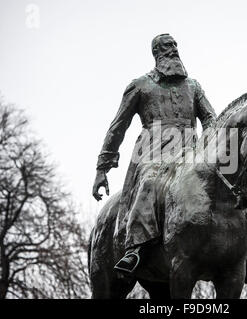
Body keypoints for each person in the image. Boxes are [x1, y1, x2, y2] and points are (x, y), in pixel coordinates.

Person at [92, 34, 216, 273]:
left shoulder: (193, 86)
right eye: (167, 46)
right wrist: (102, 168)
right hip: (153, 150)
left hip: (192, 150)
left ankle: (241, 253)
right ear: (156, 52)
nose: (174, 50)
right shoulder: (140, 85)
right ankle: (136, 247)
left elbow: (210, 117)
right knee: (150, 180)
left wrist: (213, 137)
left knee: (219, 184)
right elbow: (118, 126)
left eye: (176, 45)